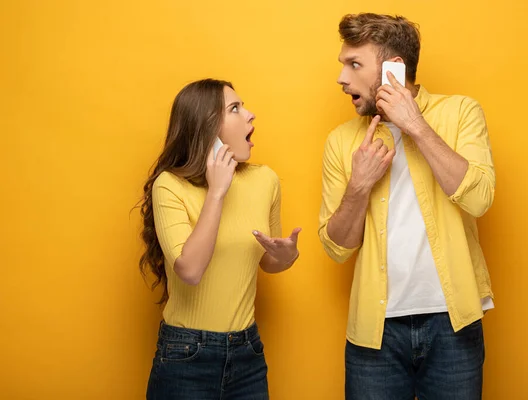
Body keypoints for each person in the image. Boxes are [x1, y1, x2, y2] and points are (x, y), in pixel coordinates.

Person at [318, 13, 495, 399]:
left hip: (454, 324)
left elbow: (480, 199)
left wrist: (415, 126)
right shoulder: (341, 141)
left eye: (354, 64)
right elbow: (336, 248)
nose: (342, 78)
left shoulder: (461, 112)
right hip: (374, 333)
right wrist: (358, 186)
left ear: (393, 70)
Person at [139, 79, 301, 400]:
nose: (250, 115)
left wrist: (286, 255)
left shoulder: (264, 180)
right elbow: (191, 270)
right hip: (186, 355)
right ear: (207, 127)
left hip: (247, 353)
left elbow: (268, 261)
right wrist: (217, 191)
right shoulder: (169, 186)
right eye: (235, 108)